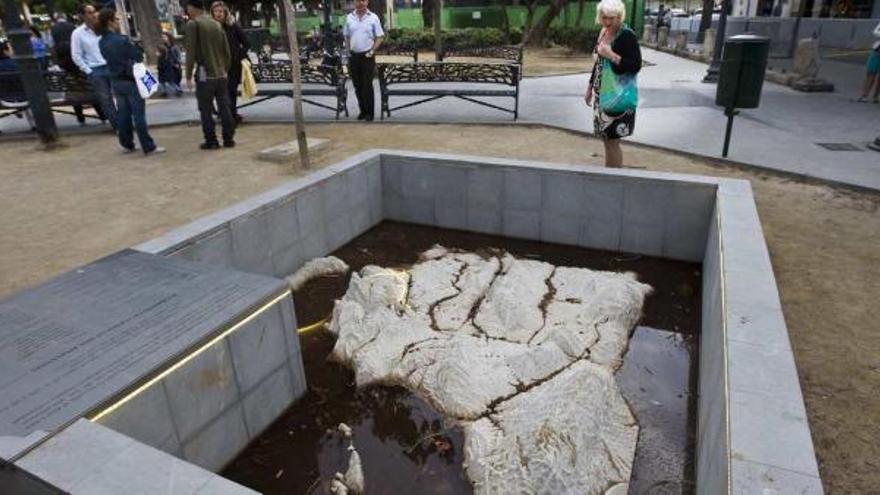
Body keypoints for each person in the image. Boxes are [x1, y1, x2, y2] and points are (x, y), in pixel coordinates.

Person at [96, 8, 164, 155]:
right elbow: (138, 56)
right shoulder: (121, 40)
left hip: (115, 80)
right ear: (110, 22)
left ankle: (127, 142)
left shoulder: (102, 42)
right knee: (138, 114)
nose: (118, 22)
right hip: (129, 80)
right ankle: (147, 145)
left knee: (123, 113)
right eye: (116, 19)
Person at [585, 0, 642, 168]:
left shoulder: (627, 35)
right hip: (602, 94)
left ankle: (614, 177)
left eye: (612, 18)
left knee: (613, 141)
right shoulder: (603, 33)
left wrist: (611, 55)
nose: (607, 22)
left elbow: (635, 66)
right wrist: (589, 88)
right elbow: (598, 64)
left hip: (618, 95)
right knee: (606, 138)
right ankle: (609, 173)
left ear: (620, 17)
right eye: (604, 17)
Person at [184, 0, 236, 150]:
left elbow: (191, 52)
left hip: (204, 72)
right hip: (221, 73)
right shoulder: (216, 24)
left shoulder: (193, 24)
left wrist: (187, 75)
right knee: (224, 106)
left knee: (205, 108)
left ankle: (211, 140)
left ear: (191, 8)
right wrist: (224, 69)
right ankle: (228, 138)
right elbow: (227, 52)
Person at [71, 3, 117, 130]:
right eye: (90, 12)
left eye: (94, 11)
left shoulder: (103, 28)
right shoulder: (77, 33)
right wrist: (89, 71)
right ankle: (118, 126)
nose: (94, 14)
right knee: (106, 100)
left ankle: (125, 122)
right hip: (96, 69)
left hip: (111, 65)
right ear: (82, 16)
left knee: (120, 95)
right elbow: (76, 55)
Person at [344, 0, 384, 121]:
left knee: (367, 85)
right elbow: (347, 35)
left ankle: (370, 113)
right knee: (357, 85)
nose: (360, 3)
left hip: (367, 55)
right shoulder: (349, 18)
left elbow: (380, 36)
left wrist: (372, 51)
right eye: (358, 1)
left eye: (363, 0)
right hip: (354, 56)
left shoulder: (373, 18)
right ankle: (362, 110)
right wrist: (347, 51)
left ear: (367, 2)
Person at [210, 1, 250, 122]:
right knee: (221, 92)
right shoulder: (211, 28)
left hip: (233, 65)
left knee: (230, 91)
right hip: (217, 65)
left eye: (221, 11)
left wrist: (238, 55)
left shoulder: (233, 26)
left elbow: (247, 43)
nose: (218, 14)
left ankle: (230, 115)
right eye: (215, 12)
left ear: (225, 12)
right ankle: (227, 114)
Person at [857, 21, 880, 103]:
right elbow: (875, 32)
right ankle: (864, 95)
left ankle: (876, 97)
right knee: (870, 73)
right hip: (877, 51)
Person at [157, 32, 183, 97]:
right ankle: (164, 92)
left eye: (164, 37)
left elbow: (178, 55)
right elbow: (158, 55)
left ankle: (178, 90)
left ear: (169, 37)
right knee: (161, 80)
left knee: (172, 79)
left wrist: (178, 63)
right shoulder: (161, 46)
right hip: (162, 65)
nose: (163, 38)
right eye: (162, 37)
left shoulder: (174, 46)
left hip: (171, 65)